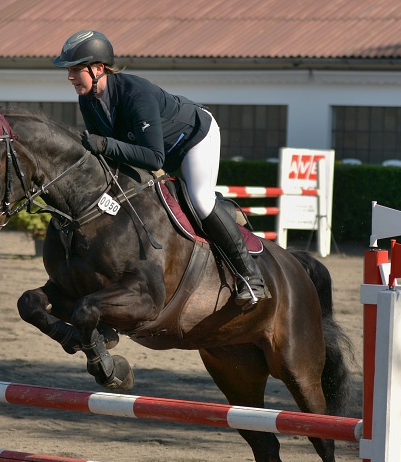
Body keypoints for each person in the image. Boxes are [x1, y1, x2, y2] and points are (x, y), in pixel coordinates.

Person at [53, 30, 266, 308]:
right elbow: (110, 156)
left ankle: (250, 277)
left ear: (98, 69)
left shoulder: (136, 95)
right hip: (159, 148)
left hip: (193, 139)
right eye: (69, 70)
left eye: (75, 70)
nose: (70, 77)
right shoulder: (88, 100)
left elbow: (153, 158)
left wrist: (104, 144)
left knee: (200, 201)